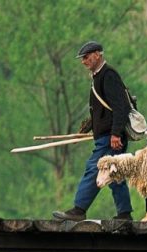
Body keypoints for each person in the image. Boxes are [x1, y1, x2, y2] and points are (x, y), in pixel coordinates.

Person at [53, 41, 133, 221]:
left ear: (97, 54)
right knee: (114, 175)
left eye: (86, 57)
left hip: (110, 138)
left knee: (93, 169)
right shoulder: (98, 77)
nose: (83, 61)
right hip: (106, 136)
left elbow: (121, 107)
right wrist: (88, 127)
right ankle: (125, 213)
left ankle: (78, 210)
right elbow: (103, 110)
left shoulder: (108, 75)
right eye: (82, 58)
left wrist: (115, 133)